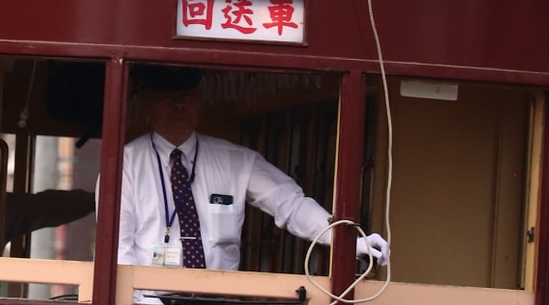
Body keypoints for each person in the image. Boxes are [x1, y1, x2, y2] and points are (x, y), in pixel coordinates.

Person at [117, 64, 390, 274]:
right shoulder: (125, 165)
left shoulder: (235, 160)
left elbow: (290, 204)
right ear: (146, 104)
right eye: (167, 97)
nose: (178, 104)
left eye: (187, 95)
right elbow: (119, 250)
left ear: (199, 100)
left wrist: (345, 240)